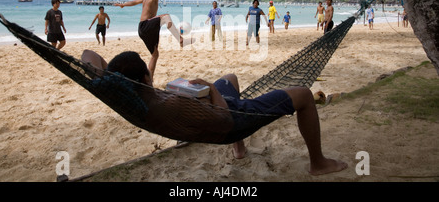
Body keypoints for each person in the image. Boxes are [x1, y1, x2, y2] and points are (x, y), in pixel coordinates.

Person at [80, 50, 348, 176]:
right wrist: (210, 89)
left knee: (230, 77)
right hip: (236, 118)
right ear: (145, 78)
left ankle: (240, 150)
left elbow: (88, 54)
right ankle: (318, 163)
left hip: (200, 111)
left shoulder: (130, 99)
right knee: (302, 93)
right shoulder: (169, 105)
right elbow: (224, 119)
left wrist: (106, 79)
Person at [115, 0, 194, 80]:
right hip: (146, 26)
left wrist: (123, 5)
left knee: (155, 55)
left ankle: (150, 81)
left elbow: (134, 2)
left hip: (142, 29)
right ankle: (181, 40)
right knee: (165, 16)